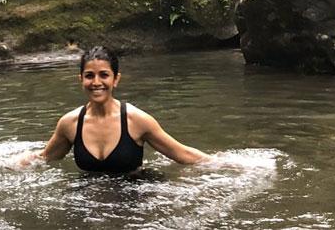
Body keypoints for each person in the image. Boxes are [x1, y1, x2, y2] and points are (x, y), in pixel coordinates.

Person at [29, 46, 213, 173]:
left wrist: (228, 163)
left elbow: (182, 154)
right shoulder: (70, 124)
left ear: (116, 79)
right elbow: (44, 157)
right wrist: (6, 163)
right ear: (81, 80)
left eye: (104, 75)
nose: (96, 83)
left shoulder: (137, 120)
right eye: (89, 76)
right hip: (89, 201)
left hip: (135, 200)